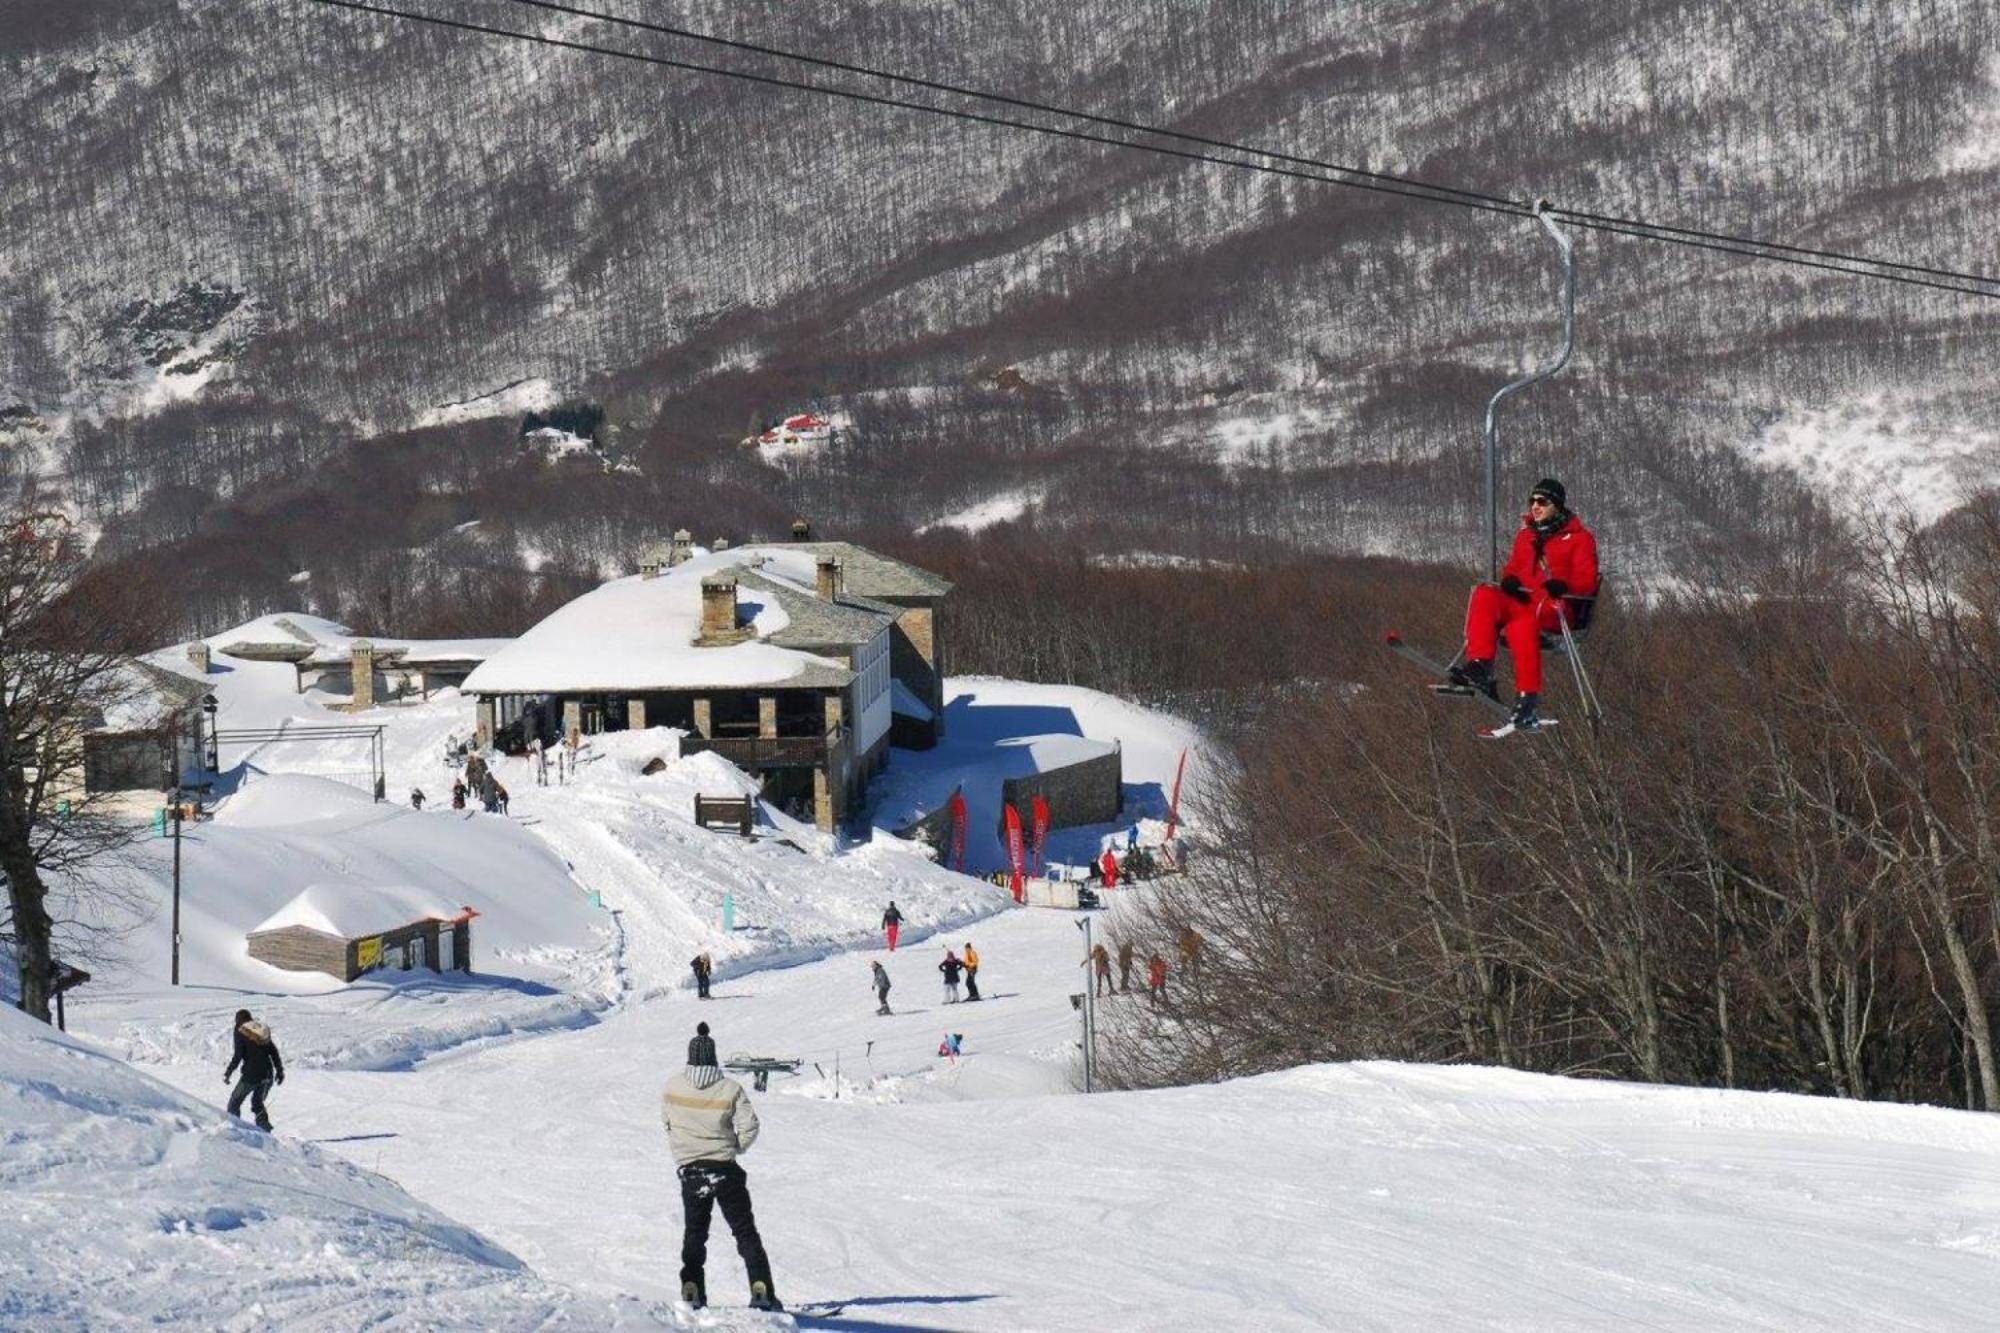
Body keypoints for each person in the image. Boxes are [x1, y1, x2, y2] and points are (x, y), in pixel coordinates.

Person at [1449, 477, 1600, 733]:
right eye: (1532, 501)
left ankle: (1527, 697)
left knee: (1523, 624)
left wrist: (1564, 587)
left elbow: (1586, 580)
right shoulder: (1526, 536)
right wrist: (1509, 580)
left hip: (1556, 608)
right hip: (1526, 601)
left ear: (1558, 505)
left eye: (1542, 501)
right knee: (1485, 594)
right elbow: (1513, 568)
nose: (1535, 507)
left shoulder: (1579, 538)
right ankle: (1480, 666)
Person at [661, 1022, 780, 1313]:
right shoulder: (730, 1088)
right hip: (724, 1170)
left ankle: (692, 1291)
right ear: (713, 1056)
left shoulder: (672, 1086)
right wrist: (735, 1147)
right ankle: (760, 1290)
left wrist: (685, 1149)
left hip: (691, 1171)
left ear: (690, 1056)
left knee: (695, 1234)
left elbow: (667, 1124)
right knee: (744, 1232)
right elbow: (750, 1126)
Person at [222, 1008, 285, 1131]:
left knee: (234, 1103)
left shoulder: (240, 1030)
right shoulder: (260, 1030)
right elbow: (273, 1051)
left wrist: (228, 1072)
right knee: (257, 1104)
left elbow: (238, 1055)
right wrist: (279, 1070)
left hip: (251, 1075)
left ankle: (235, 1131)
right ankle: (266, 1130)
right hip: (267, 1074)